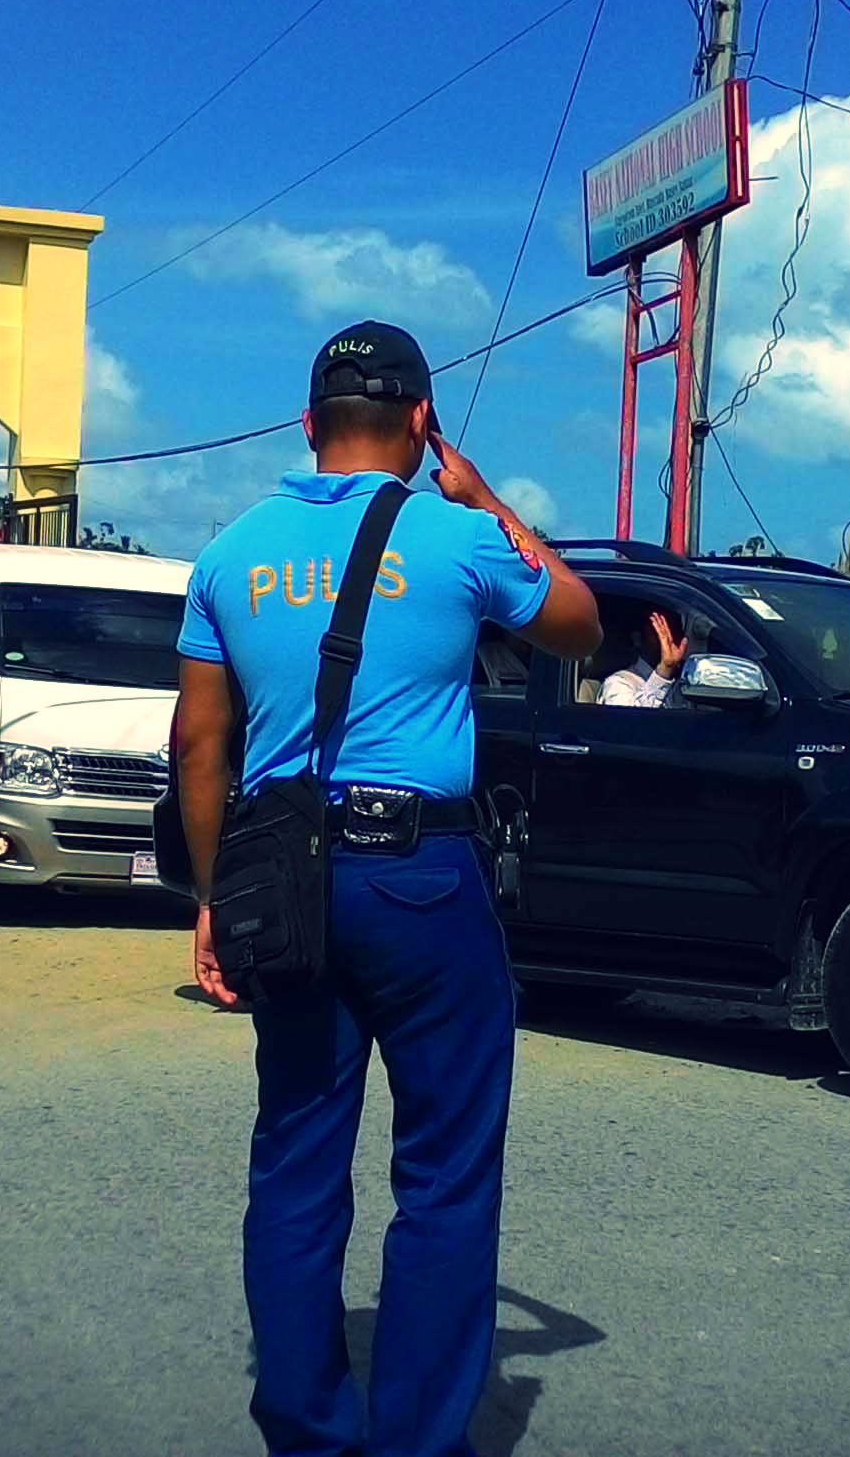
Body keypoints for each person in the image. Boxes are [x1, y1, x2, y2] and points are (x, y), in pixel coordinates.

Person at [170, 320, 601, 1457]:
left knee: (299, 1158)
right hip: (420, 879)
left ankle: (309, 1432)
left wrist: (215, 897)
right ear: (421, 423)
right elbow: (581, 624)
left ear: (307, 427)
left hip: (283, 880)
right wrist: (486, 493)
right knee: (446, 1173)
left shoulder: (228, 554)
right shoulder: (459, 538)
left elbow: (198, 748)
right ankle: (415, 1441)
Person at [596, 608, 690, 709]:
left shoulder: (683, 684)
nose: (668, 639)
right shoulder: (618, 682)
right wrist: (664, 671)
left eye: (673, 631)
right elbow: (631, 722)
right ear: (637, 639)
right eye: (659, 631)